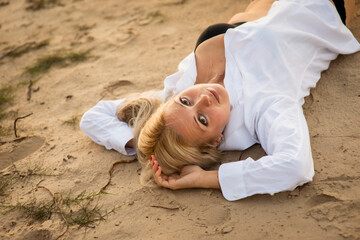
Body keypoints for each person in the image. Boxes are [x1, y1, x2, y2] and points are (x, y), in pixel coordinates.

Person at [80, 0, 360, 201]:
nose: (203, 98)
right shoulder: (265, 105)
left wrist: (141, 144)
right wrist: (206, 179)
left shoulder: (173, 96)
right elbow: (295, 166)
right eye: (202, 120)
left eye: (184, 102)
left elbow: (93, 117)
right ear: (216, 141)